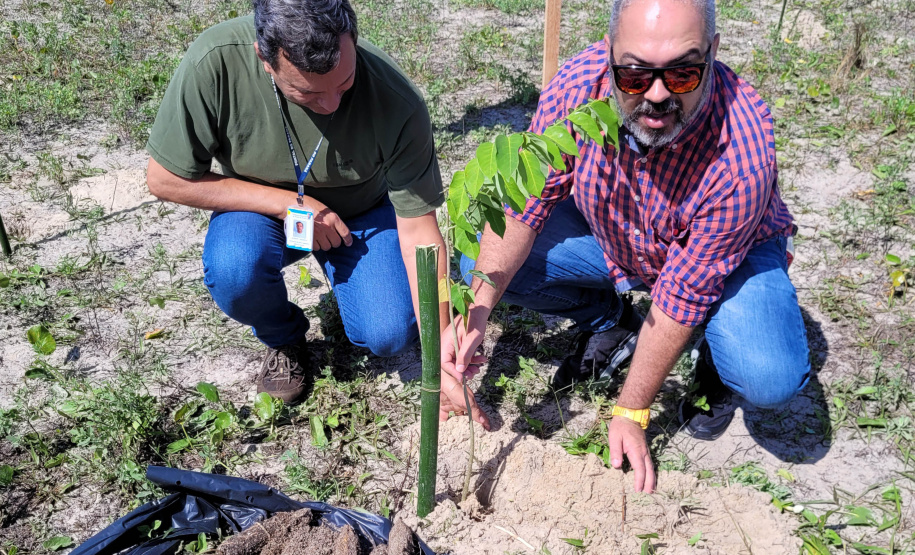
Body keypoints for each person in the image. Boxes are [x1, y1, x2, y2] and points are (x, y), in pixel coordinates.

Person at [443, 0, 809, 492]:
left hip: (728, 255)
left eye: (682, 74)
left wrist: (632, 409)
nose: (656, 96)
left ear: (713, 54)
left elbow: (682, 295)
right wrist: (477, 315)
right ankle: (612, 321)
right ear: (610, 53)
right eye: (634, 75)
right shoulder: (578, 87)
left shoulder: (741, 150)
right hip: (620, 237)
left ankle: (717, 366)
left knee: (768, 375)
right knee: (481, 266)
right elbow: (523, 206)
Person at [145, 0, 488, 424]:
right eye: (307, 92)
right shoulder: (215, 62)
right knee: (235, 269)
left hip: (362, 216)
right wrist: (287, 203)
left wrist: (438, 345)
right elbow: (164, 179)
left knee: (390, 333)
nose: (330, 104)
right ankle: (285, 338)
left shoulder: (396, 100)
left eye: (344, 84)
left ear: (354, 43)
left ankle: (355, 280)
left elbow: (420, 231)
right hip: (262, 211)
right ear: (264, 59)